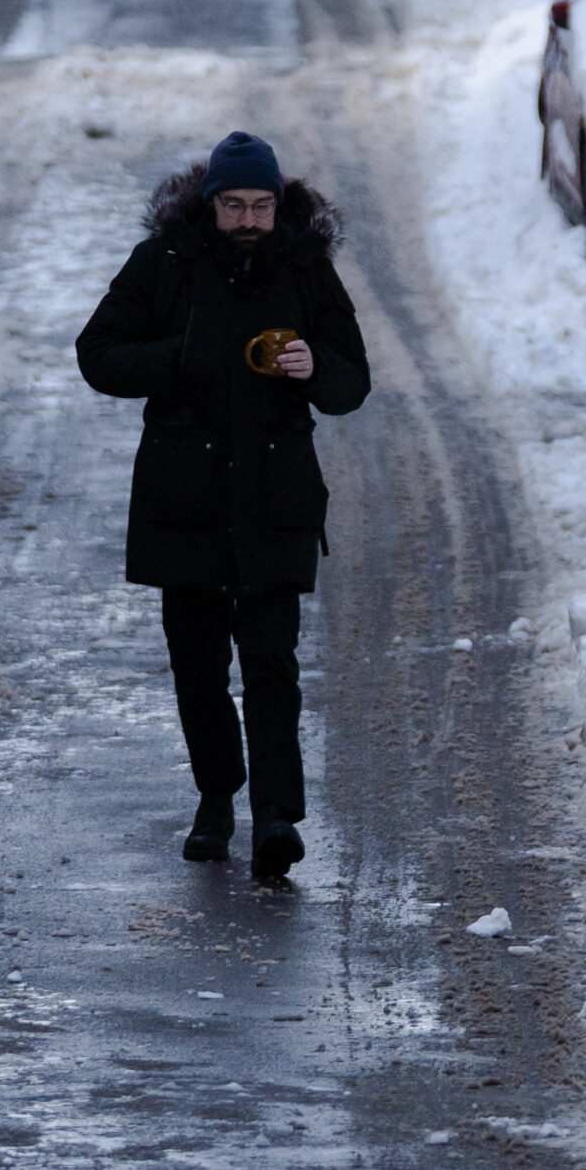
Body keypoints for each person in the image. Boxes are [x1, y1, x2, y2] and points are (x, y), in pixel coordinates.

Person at [75, 133, 371, 884]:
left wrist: (314, 366)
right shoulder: (165, 263)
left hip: (275, 499)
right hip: (187, 501)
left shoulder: (305, 268)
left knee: (271, 663)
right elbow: (97, 354)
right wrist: (176, 358)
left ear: (279, 203)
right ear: (210, 204)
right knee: (198, 667)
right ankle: (217, 798)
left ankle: (276, 816)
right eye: (234, 205)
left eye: (261, 206)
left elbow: (352, 384)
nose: (248, 219)